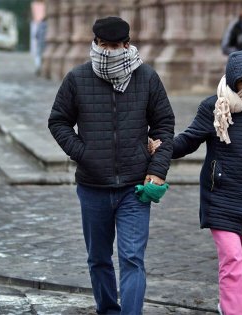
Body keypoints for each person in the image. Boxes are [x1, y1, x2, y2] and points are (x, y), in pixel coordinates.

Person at [48, 16, 175, 314]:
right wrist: (83, 152)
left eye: (116, 46)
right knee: (99, 258)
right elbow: (58, 121)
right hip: (92, 187)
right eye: (104, 45)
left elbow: (164, 126)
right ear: (94, 44)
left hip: (135, 187)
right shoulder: (77, 79)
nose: (109, 52)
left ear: (127, 45)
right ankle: (107, 309)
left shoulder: (147, 78)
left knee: (132, 258)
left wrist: (157, 170)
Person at [150, 50, 242, 315]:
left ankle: (228, 302)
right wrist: (161, 147)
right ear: (233, 81)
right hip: (221, 197)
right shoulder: (214, 106)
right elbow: (189, 140)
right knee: (232, 260)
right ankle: (234, 311)